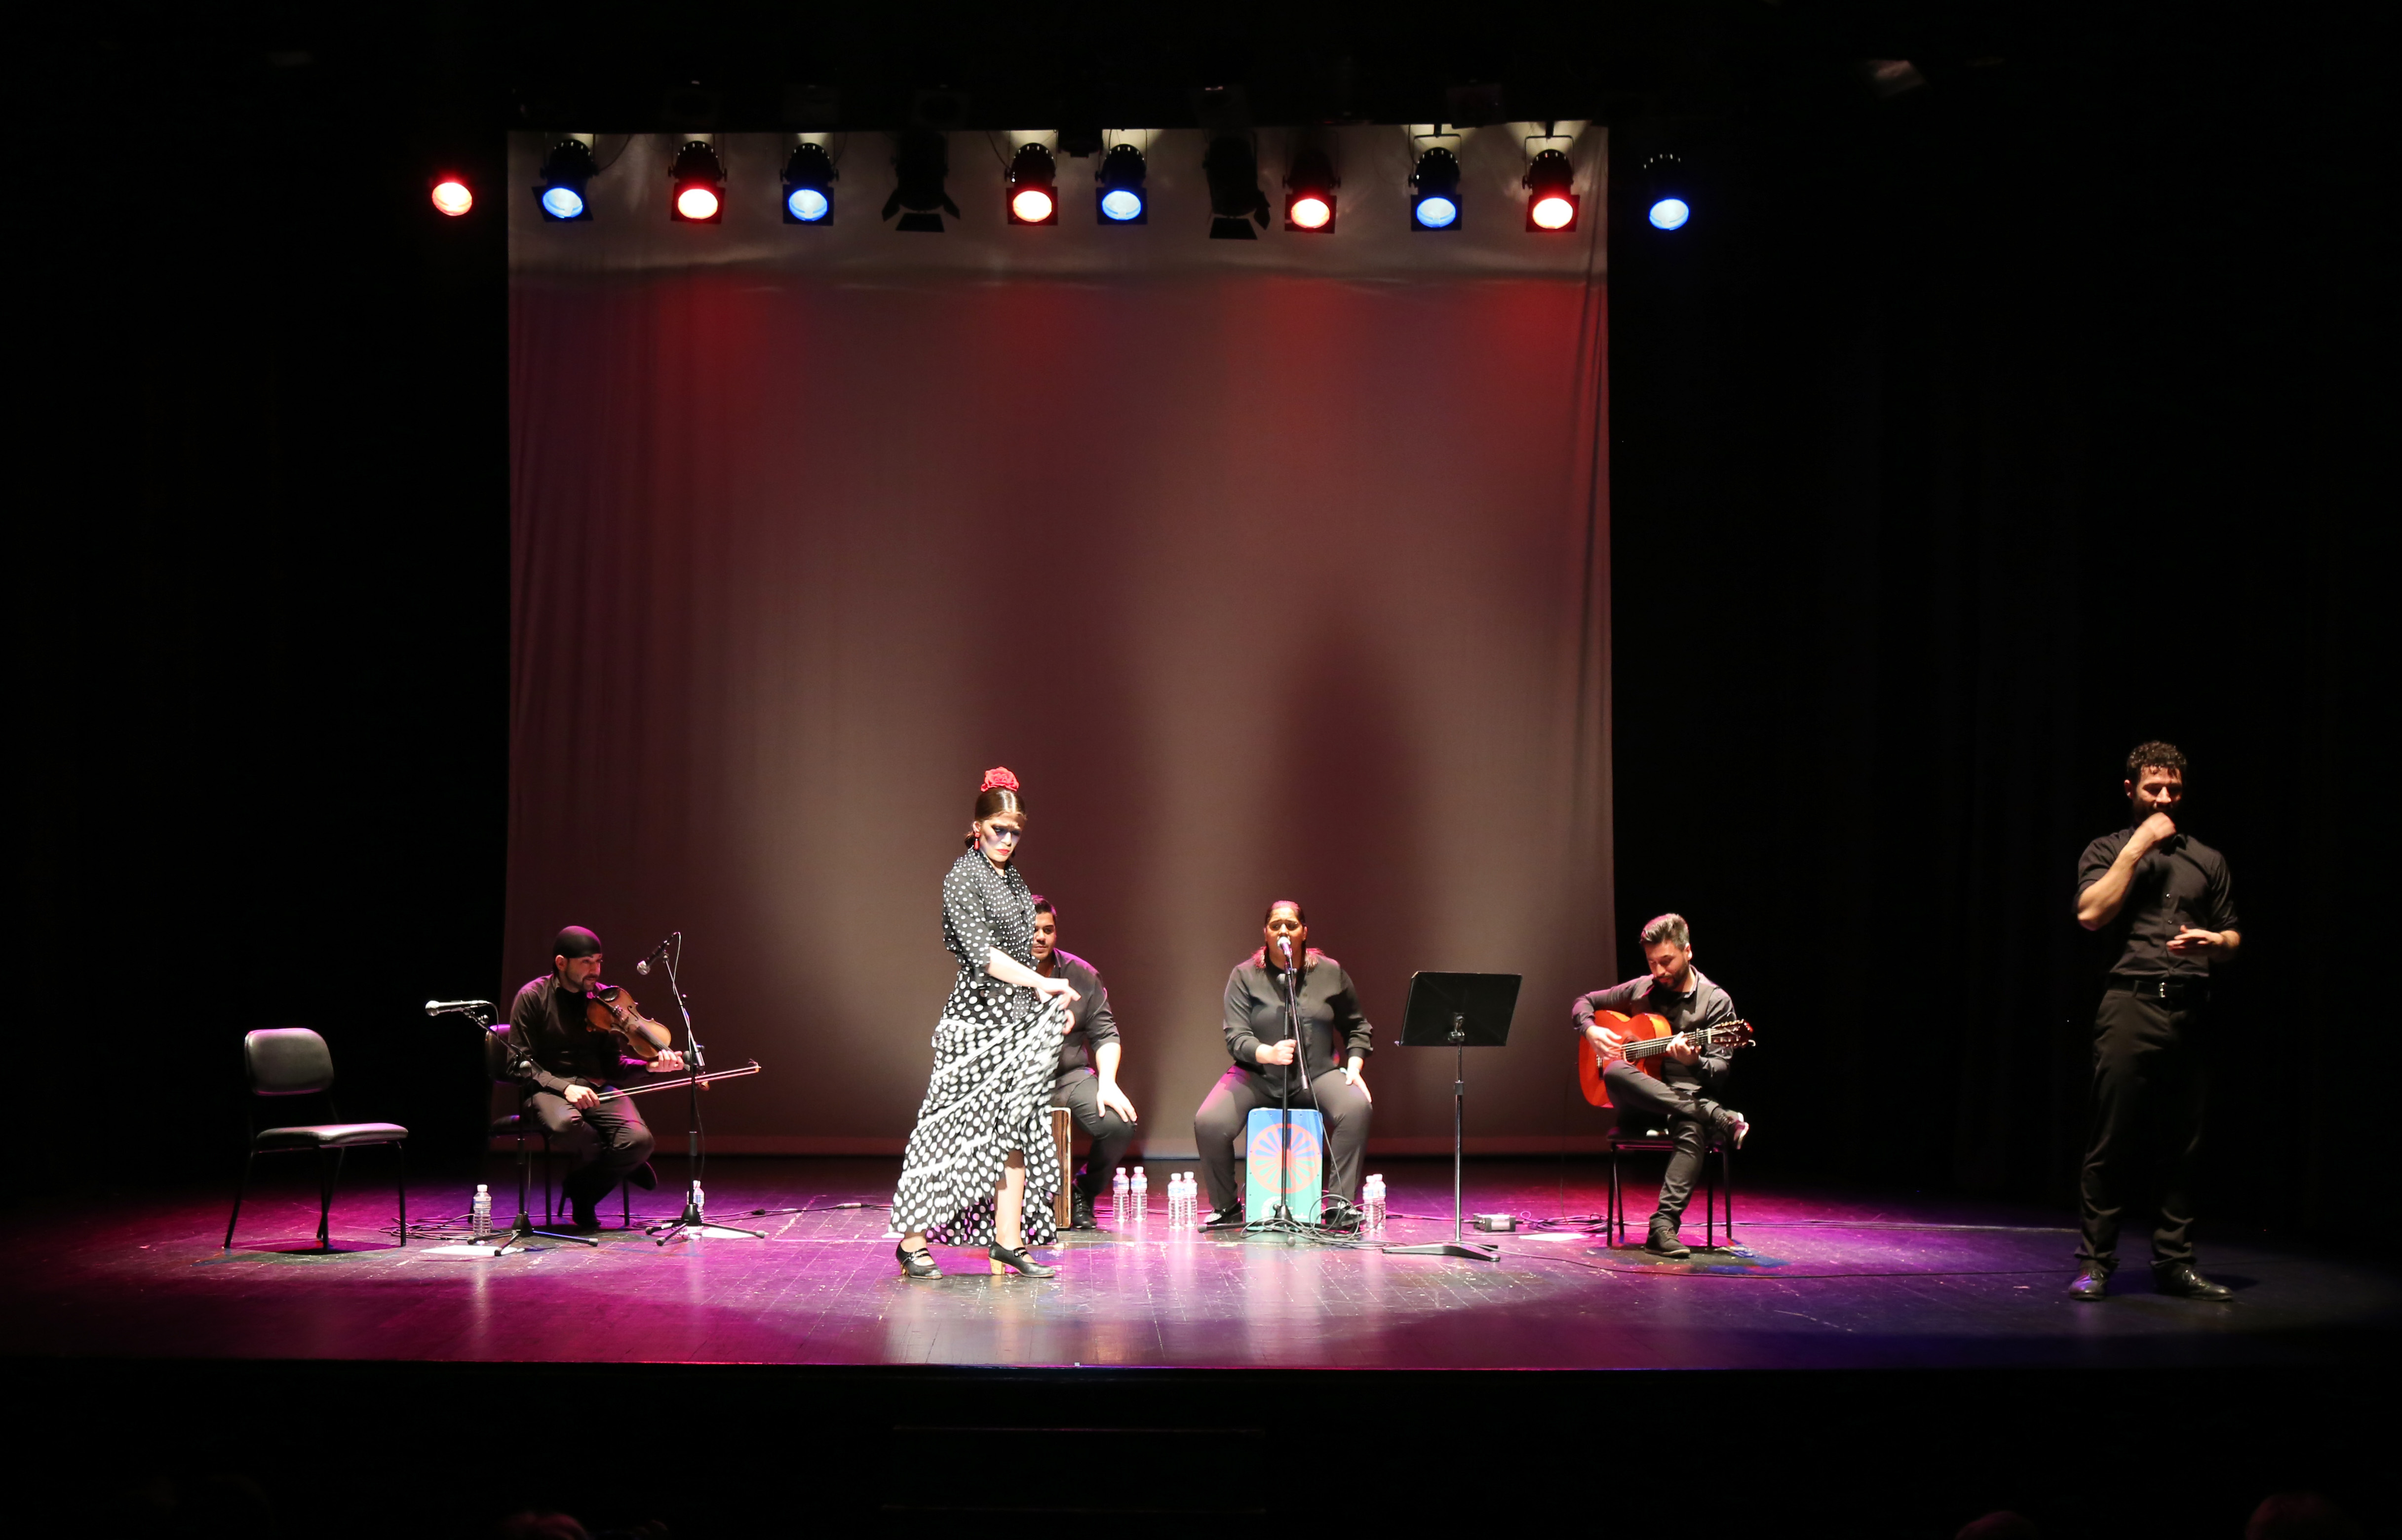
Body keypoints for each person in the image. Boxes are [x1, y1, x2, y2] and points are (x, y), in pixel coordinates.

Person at [891, 768, 1081, 1279]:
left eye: (1015, 832)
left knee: (1016, 1126)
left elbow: (1020, 953)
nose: (1007, 840)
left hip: (1015, 1021)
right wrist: (1041, 983)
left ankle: (1008, 1240)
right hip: (975, 1023)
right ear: (977, 827)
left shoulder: (1013, 879)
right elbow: (983, 954)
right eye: (999, 829)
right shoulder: (963, 876)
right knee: (945, 1130)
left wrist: (1045, 1002)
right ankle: (912, 1243)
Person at [2069, 740, 2241, 1301]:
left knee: (2182, 1146)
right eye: (2153, 788)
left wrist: (2217, 943)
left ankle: (2175, 1263)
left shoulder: (2207, 859)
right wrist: (2139, 846)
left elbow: (2233, 935)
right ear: (2131, 790)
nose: (2165, 797)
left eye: (2174, 789)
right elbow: (2091, 914)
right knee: (2112, 1141)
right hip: (2130, 1005)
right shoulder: (2106, 849)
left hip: (2190, 1008)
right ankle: (2096, 1263)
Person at [1570, 912, 1750, 1258]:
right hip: (1639, 1104)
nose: (1659, 971)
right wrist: (1591, 1030)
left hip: (1686, 1101)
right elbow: (1584, 1002)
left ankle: (1662, 1228)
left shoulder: (1715, 1002)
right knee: (1615, 1072)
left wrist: (1693, 1062)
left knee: (1692, 1128)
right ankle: (1717, 1116)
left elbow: (1720, 1071)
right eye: (1652, 962)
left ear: (1688, 951)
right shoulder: (1642, 988)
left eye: (1666, 961)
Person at [1192, 900, 1375, 1231]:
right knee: (1209, 1122)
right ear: (1266, 932)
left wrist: (1355, 1065)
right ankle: (1227, 1206)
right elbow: (1236, 1036)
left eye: (1291, 925)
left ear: (1304, 932)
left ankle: (1338, 1207)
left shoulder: (1330, 972)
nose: (1283, 932)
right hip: (1257, 1076)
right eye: (1276, 925)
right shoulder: (1245, 975)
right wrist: (1267, 1053)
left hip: (1317, 1075)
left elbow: (1357, 1025)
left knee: (1356, 1108)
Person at [504, 925, 685, 1231]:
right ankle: (621, 1167)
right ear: (561, 963)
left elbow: (614, 1066)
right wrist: (565, 1087)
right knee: (566, 1125)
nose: (596, 970)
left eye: (599, 961)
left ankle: (581, 1190)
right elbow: (518, 1064)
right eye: (587, 962)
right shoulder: (532, 997)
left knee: (639, 1141)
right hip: (547, 1089)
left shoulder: (606, 1001)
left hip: (597, 1087)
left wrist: (649, 1067)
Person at [1030, 895, 1139, 1229]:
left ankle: (1083, 1192)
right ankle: (1015, 1200)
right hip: (1017, 1080)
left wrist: (1107, 1083)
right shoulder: (1005, 973)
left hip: (1068, 1076)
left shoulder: (1082, 974)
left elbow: (1105, 1034)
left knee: (1119, 1123)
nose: (1040, 937)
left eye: (1048, 930)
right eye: (1033, 929)